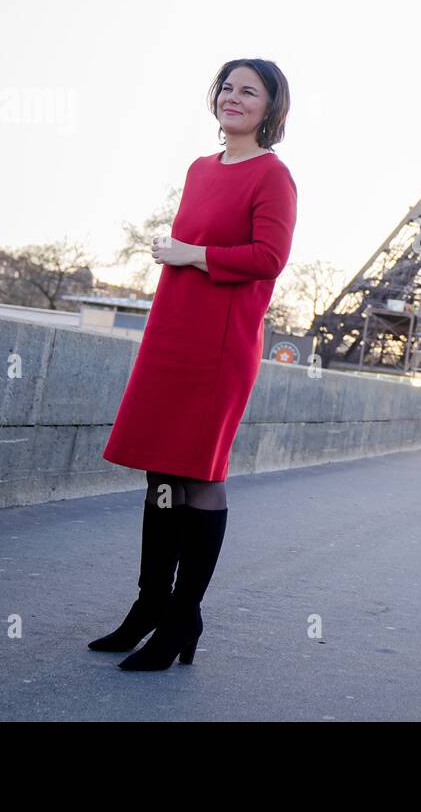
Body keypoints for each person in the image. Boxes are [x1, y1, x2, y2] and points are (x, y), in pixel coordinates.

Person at [91, 58, 297, 671]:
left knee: (201, 475)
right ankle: (149, 606)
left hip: (220, 343)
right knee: (160, 473)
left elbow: (269, 257)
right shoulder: (200, 169)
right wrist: (181, 256)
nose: (233, 98)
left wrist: (191, 253)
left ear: (271, 107)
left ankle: (182, 617)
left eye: (249, 92)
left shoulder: (274, 176)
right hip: (172, 331)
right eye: (226, 88)